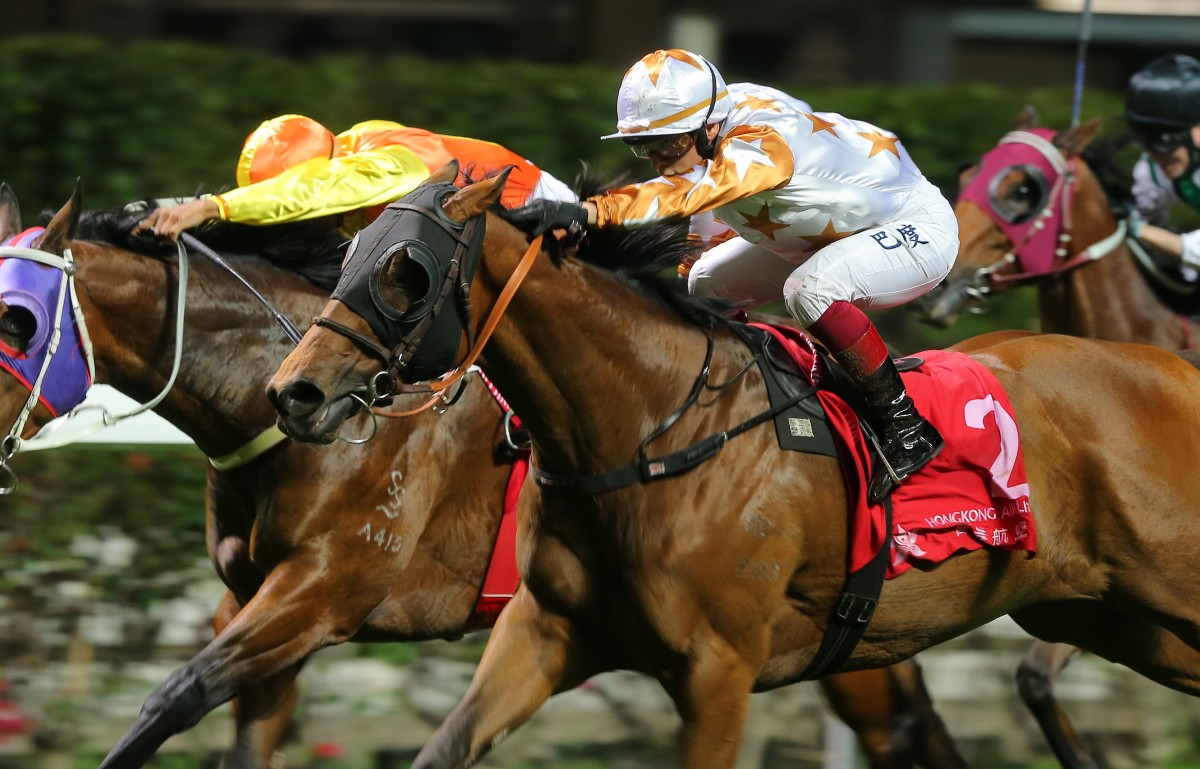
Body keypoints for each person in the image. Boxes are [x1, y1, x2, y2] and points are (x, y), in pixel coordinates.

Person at [507, 49, 958, 502]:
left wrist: (589, 211)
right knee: (704, 284)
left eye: (666, 146)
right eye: (642, 147)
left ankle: (906, 427)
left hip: (914, 226)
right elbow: (703, 205)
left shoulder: (765, 144)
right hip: (820, 236)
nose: (657, 162)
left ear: (709, 128)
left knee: (809, 291)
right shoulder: (714, 118)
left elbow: (692, 191)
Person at [136, 114, 576, 240]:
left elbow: (320, 190)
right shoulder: (345, 158)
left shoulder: (382, 157)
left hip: (539, 214)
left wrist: (218, 205)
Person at [1124, 53, 1200, 286]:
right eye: (1146, 141)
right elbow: (1148, 225)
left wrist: (1136, 229)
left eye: (1164, 140)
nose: (1156, 155)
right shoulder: (1151, 171)